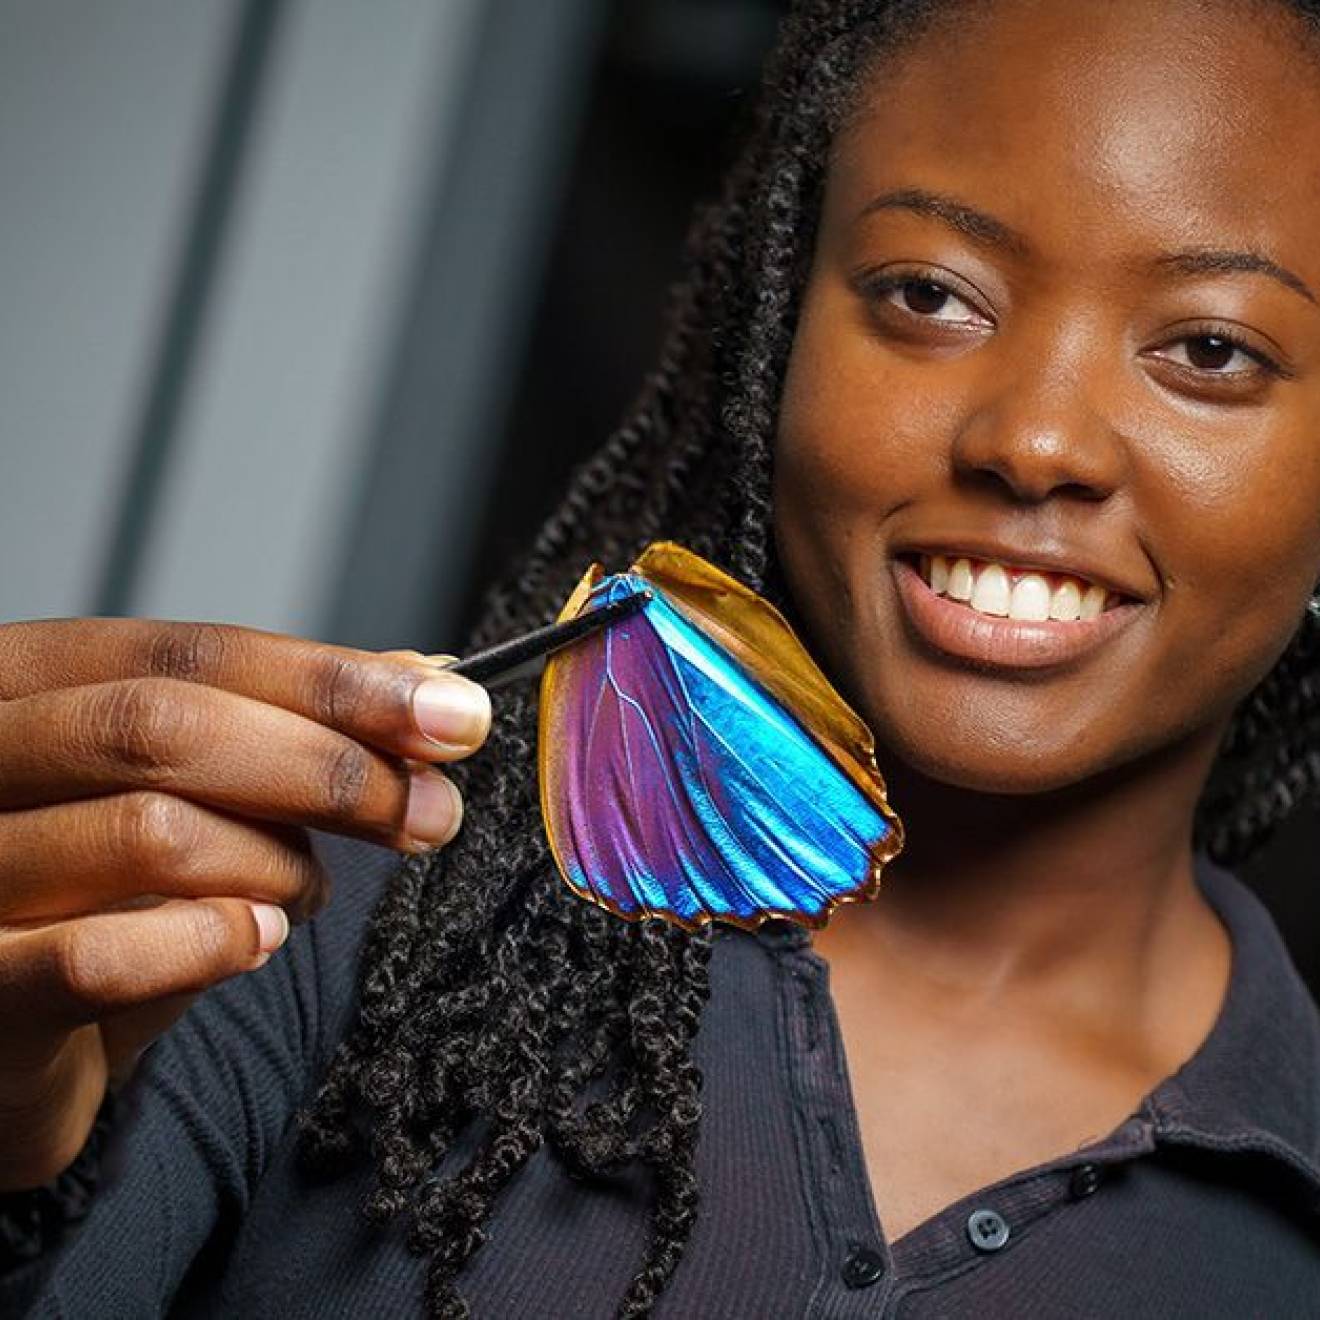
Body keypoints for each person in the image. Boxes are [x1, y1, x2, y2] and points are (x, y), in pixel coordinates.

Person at [4, 0, 1320, 1315]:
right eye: (930, 294)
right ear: (779, 327)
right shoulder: (340, 914)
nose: (1035, 442)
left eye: (1210, 350)